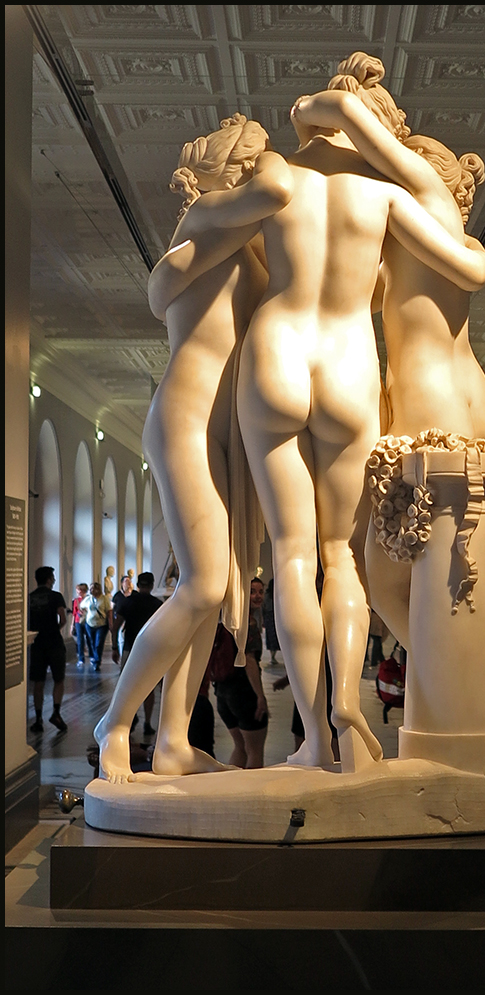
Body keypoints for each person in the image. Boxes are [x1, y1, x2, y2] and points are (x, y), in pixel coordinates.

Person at [234, 55, 485, 773]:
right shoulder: (383, 196)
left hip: (276, 348)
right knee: (338, 556)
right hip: (349, 360)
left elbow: (236, 262)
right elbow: (466, 268)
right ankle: (349, 709)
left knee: (289, 554)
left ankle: (312, 736)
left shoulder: (277, 176)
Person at [94, 113, 291, 782]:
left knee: (214, 591)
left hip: (223, 423)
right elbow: (276, 191)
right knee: (205, 582)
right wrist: (275, 147)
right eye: (257, 153)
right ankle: (115, 721)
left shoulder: (245, 241)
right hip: (184, 414)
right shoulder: (209, 214)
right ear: (232, 167)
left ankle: (175, 737)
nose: (269, 160)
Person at [208, 577, 269, 768]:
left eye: (260, 591)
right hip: (244, 693)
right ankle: (253, 795)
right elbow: (250, 661)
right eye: (252, 591)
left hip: (223, 694)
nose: (257, 596)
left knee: (240, 747)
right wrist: (260, 697)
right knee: (255, 750)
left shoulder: (226, 621)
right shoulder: (247, 624)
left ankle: (234, 790)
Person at [111, 572, 163, 736]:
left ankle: (128, 720)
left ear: (138, 585)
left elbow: (116, 625)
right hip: (150, 650)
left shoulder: (128, 602)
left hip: (130, 647)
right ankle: (147, 722)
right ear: (152, 585)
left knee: (128, 686)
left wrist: (114, 647)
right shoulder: (157, 604)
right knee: (149, 688)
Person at [28, 566, 68, 733]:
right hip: (54, 642)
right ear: (49, 579)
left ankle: (38, 719)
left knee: (38, 681)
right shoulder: (56, 596)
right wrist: (55, 628)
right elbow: (63, 618)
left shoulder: (30, 597)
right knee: (58, 679)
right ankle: (56, 713)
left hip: (36, 643)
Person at [79, 581, 113, 671]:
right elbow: (81, 606)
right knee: (91, 642)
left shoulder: (104, 599)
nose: (91, 590)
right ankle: (93, 657)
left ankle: (97, 661)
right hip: (90, 624)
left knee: (98, 643)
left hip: (101, 624)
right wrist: (84, 612)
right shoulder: (88, 599)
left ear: (98, 589)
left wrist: (110, 622)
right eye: (90, 589)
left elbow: (109, 611)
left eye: (93, 588)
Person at [112, 574, 134, 660]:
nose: (128, 583)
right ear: (122, 583)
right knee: (121, 641)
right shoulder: (117, 596)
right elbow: (113, 608)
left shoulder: (133, 595)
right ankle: (122, 657)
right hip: (120, 620)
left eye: (129, 581)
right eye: (126, 581)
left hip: (130, 622)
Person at [69, 582, 89, 667]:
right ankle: (81, 658)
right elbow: (74, 613)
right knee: (80, 640)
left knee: (89, 638)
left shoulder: (89, 599)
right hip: (78, 621)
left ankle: (91, 655)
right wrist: (72, 624)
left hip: (88, 621)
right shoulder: (76, 600)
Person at [262, 578, 280, 664]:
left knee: (270, 637)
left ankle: (272, 656)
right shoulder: (278, 594)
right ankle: (273, 655)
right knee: (276, 636)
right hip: (276, 616)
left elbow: (264, 606)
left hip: (269, 617)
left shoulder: (267, 595)